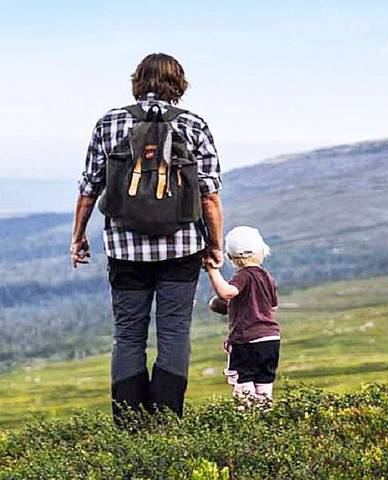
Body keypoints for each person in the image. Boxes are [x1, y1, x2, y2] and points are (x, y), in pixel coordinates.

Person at [69, 53, 224, 423]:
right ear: (179, 84)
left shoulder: (109, 123)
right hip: (182, 248)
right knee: (174, 333)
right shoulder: (193, 124)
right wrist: (214, 244)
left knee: (128, 335)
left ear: (137, 81)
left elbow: (89, 188)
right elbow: (209, 195)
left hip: (125, 249)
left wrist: (78, 236)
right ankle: (166, 424)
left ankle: (129, 425)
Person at [206, 226, 280, 401]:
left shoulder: (244, 275)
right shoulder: (267, 277)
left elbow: (227, 293)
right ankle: (264, 414)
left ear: (230, 257)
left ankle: (245, 416)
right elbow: (272, 307)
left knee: (243, 385)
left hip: (246, 340)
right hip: (271, 340)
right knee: (264, 385)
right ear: (262, 251)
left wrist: (212, 270)